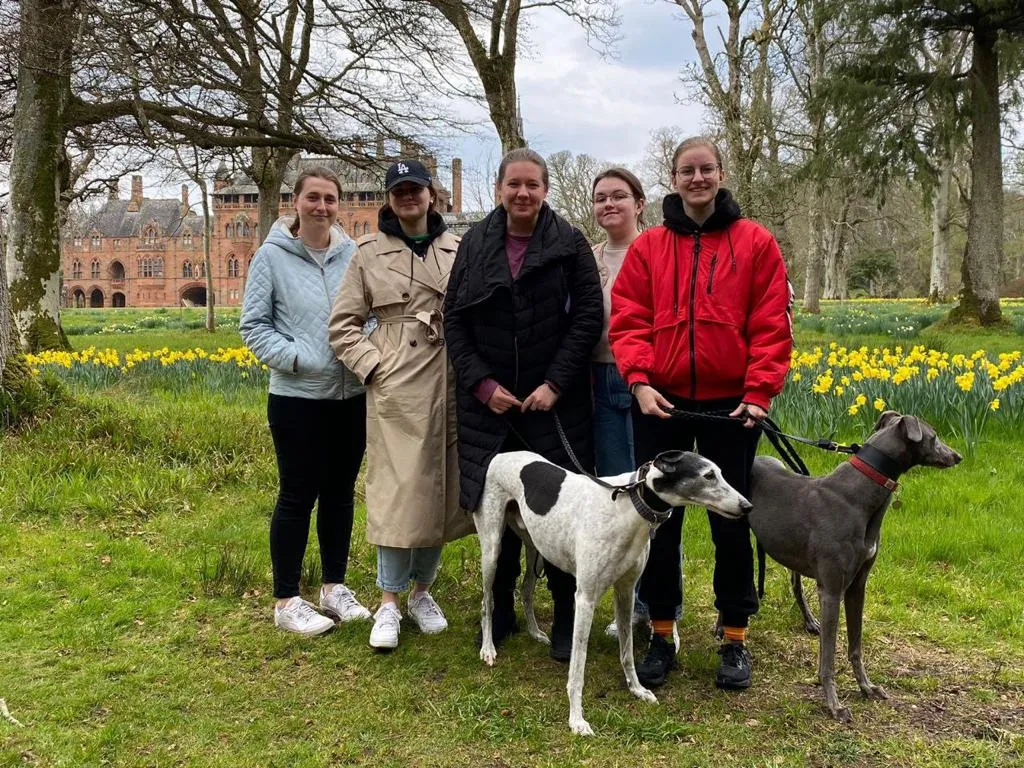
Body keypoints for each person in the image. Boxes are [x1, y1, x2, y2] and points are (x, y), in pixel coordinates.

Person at [610, 136, 792, 690]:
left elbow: (770, 325)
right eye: (687, 171)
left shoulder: (755, 242)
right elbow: (628, 319)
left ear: (720, 172)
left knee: (731, 520)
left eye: (706, 169)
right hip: (659, 403)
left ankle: (735, 636)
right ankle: (661, 633)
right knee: (657, 525)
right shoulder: (649, 248)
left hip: (730, 406)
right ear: (673, 176)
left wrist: (759, 394)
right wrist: (639, 382)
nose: (697, 179)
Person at [444, 147, 604, 662]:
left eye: (532, 185)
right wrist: (482, 387)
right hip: (488, 408)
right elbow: (454, 322)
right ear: (498, 189)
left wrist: (556, 383)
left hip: (552, 407)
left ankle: (563, 615)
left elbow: (586, 321)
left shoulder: (569, 244)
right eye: (513, 184)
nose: (522, 193)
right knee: (497, 510)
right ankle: (500, 611)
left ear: (546, 189)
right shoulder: (474, 244)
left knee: (560, 509)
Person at [329, 159, 472, 651]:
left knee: (440, 486)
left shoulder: (460, 247)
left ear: (432, 195)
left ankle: (422, 593)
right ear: (388, 199)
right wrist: (375, 366)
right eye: (399, 191)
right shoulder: (367, 253)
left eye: (416, 189)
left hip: (451, 378)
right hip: (397, 383)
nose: (408, 197)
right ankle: (388, 602)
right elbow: (343, 326)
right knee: (397, 489)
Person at [241, 166, 371, 637]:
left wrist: (364, 355)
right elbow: (253, 326)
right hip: (297, 396)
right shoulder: (271, 257)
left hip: (351, 395)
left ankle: (334, 587)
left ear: (340, 205)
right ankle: (286, 600)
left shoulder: (353, 254)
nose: (321, 207)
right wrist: (298, 359)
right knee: (298, 494)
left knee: (340, 494)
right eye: (312, 197)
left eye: (330, 199)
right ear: (295, 202)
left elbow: (369, 315)